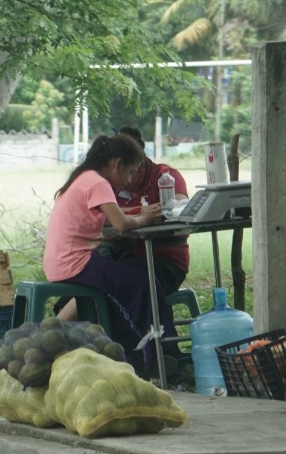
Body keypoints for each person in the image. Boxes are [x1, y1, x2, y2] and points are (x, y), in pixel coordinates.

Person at [43, 133, 172, 376]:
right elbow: (121, 224)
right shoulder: (98, 183)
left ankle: (148, 356)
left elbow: (113, 213)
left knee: (131, 283)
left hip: (60, 262)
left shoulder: (84, 178)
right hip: (76, 263)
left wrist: (137, 211)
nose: (130, 179)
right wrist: (145, 217)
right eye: (131, 171)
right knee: (144, 285)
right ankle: (153, 358)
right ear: (117, 164)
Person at [59, 126, 191, 317]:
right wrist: (136, 213)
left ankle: (61, 329)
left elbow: (179, 207)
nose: (128, 180)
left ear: (140, 162)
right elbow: (104, 219)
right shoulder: (109, 184)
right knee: (87, 282)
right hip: (121, 255)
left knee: (114, 282)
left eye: (133, 172)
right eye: (127, 173)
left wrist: (136, 215)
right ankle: (60, 330)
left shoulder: (165, 177)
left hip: (162, 259)